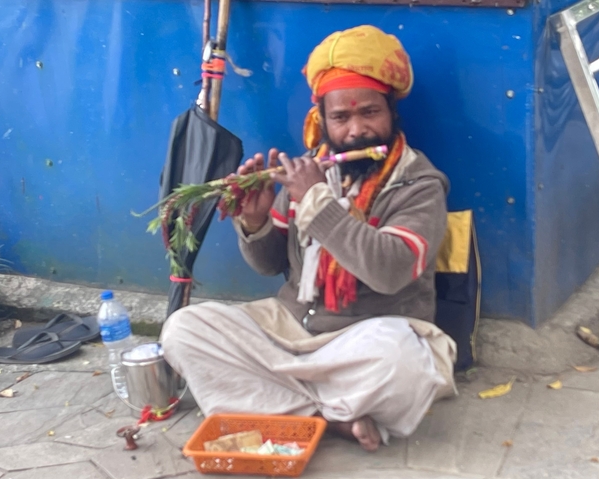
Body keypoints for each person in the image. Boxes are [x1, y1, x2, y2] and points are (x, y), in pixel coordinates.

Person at [160, 25, 457, 452]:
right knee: (182, 329)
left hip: (366, 337)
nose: (356, 130)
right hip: (290, 329)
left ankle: (277, 405)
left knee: (405, 363)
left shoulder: (418, 185)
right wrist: (256, 220)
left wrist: (316, 201)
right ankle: (330, 418)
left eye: (370, 112)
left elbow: (391, 271)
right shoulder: (311, 171)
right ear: (322, 120)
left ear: (392, 114)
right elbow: (269, 264)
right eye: (341, 117)